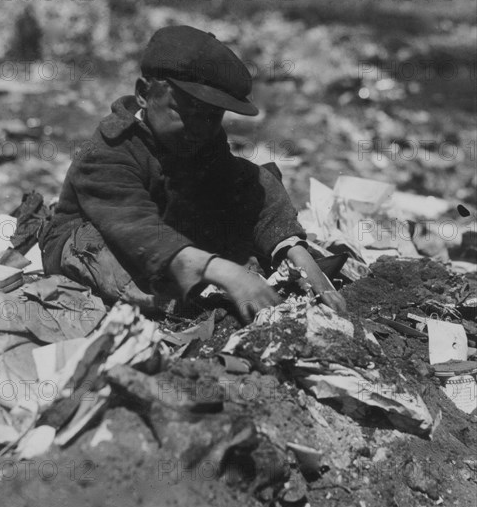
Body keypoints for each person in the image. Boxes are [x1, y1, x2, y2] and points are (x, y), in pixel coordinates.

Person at [39, 25, 347, 323]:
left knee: (251, 181)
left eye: (212, 117)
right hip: (107, 241)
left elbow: (245, 185)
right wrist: (225, 271)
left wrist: (297, 255)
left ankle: (200, 278)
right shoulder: (108, 149)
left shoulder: (200, 141)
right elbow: (134, 227)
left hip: (170, 239)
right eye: (183, 111)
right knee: (98, 249)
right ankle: (179, 300)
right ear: (144, 93)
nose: (199, 128)